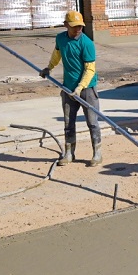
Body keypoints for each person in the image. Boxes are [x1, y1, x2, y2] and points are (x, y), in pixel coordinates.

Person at [39, 11, 102, 167]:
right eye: (74, 26)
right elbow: (57, 54)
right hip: (68, 87)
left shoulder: (87, 43)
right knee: (68, 122)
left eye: (80, 26)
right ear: (66, 25)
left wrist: (80, 87)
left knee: (92, 122)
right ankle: (69, 153)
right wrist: (49, 68)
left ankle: (97, 153)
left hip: (87, 89)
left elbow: (90, 69)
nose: (78, 29)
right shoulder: (61, 39)